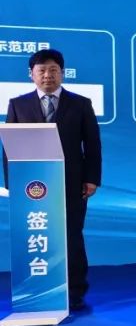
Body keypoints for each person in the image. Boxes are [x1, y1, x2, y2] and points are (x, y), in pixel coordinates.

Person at [5, 49, 101, 310]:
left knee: (71, 235)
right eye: (41, 70)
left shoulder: (80, 104)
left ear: (62, 73)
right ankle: (37, 287)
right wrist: (12, 183)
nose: (47, 75)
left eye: (53, 70)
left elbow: (92, 144)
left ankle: (75, 291)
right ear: (31, 74)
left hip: (72, 183)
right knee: (37, 234)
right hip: (32, 186)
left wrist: (91, 178)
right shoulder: (18, 104)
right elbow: (9, 147)